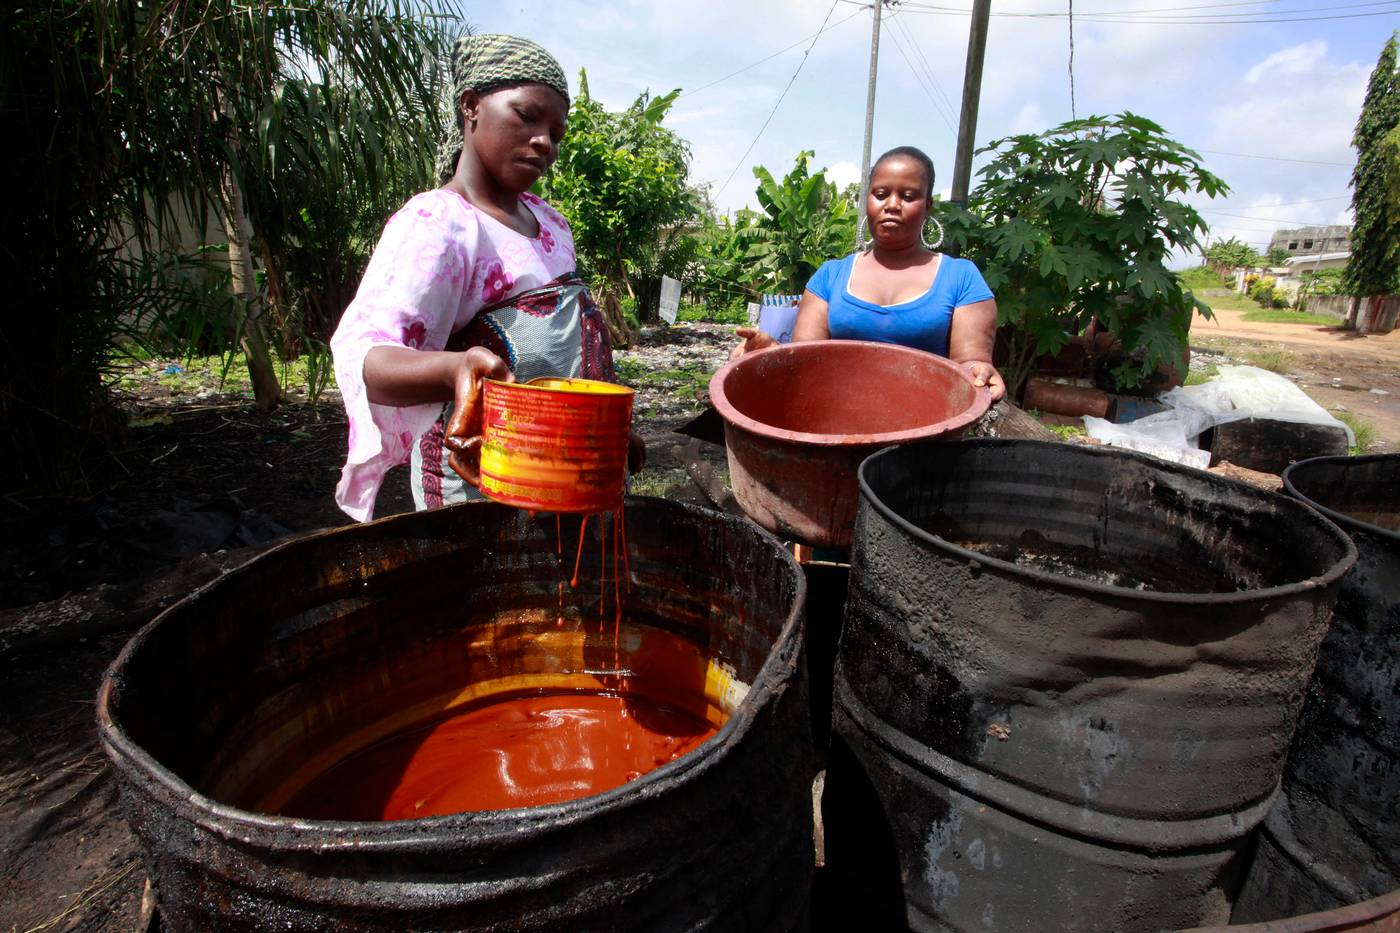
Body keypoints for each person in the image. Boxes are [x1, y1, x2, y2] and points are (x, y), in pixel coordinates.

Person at [330, 34, 641, 523]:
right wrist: (454, 370)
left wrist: (607, 431)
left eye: (557, 134)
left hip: (563, 479)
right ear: (471, 106)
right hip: (479, 490)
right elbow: (365, 361)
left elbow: (565, 352)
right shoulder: (440, 224)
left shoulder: (551, 224)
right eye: (527, 116)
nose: (545, 142)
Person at [732, 146, 1004, 402]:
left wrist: (980, 370)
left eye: (908, 196)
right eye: (881, 194)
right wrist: (771, 353)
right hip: (836, 424)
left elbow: (970, 364)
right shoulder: (831, 277)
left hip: (927, 433)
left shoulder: (960, 278)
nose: (892, 205)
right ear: (868, 201)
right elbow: (805, 360)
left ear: (928, 206)